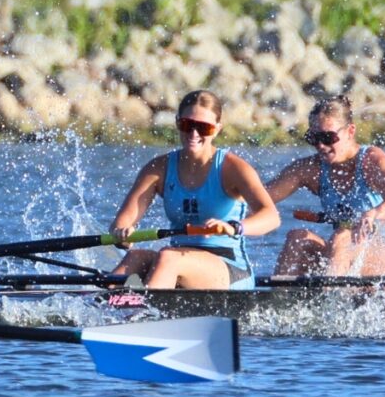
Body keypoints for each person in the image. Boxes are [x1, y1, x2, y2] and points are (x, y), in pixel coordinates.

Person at [110, 90, 280, 289]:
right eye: (187, 125)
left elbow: (271, 217)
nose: (194, 134)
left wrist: (233, 227)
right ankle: (94, 306)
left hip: (229, 268)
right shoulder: (158, 169)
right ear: (177, 123)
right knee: (134, 257)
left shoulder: (232, 168)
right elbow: (121, 223)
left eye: (203, 128)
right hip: (175, 260)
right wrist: (122, 235)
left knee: (168, 257)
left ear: (217, 129)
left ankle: (143, 314)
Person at [267, 96, 385, 276]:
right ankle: (278, 301)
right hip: (342, 257)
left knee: (343, 236)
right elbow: (258, 197)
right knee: (297, 238)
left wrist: (373, 214)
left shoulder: (371, 160)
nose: (321, 145)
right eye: (314, 138)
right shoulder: (311, 169)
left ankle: (332, 301)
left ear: (350, 131)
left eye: (328, 137)